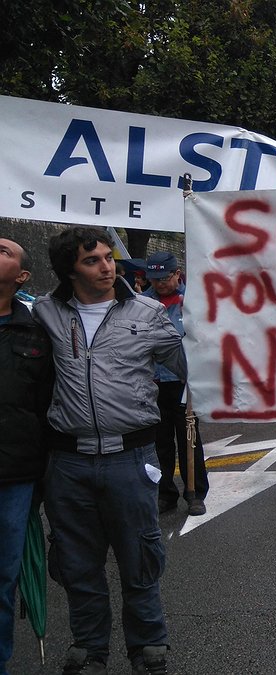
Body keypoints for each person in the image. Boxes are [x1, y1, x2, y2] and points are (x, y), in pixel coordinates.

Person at [32, 227, 184, 675]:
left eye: (107, 256)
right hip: (68, 462)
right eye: (92, 260)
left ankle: (150, 646)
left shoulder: (149, 312)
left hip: (132, 460)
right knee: (77, 563)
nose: (106, 267)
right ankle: (89, 648)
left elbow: (194, 368)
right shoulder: (45, 313)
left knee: (140, 557)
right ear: (68, 270)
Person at [0, 238, 53, 675]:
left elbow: (47, 404)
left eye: (3, 250)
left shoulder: (36, 331)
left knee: (3, 578)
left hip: (13, 476)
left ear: (22, 277)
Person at [142, 251, 208, 516]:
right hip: (153, 382)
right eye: (154, 279)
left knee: (190, 439)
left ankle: (195, 492)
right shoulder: (142, 303)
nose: (159, 283)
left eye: (165, 278)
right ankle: (164, 493)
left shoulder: (192, 302)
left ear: (177, 273)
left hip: (185, 384)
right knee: (160, 443)